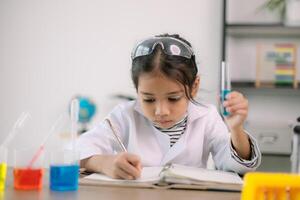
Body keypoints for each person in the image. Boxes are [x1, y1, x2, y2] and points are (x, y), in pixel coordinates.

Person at [77, 34, 261, 180]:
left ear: (194, 86)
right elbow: (77, 149)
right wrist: (105, 163)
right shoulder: (124, 115)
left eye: (173, 98)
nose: (161, 111)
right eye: (148, 99)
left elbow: (236, 165)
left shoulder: (207, 116)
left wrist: (236, 129)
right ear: (137, 90)